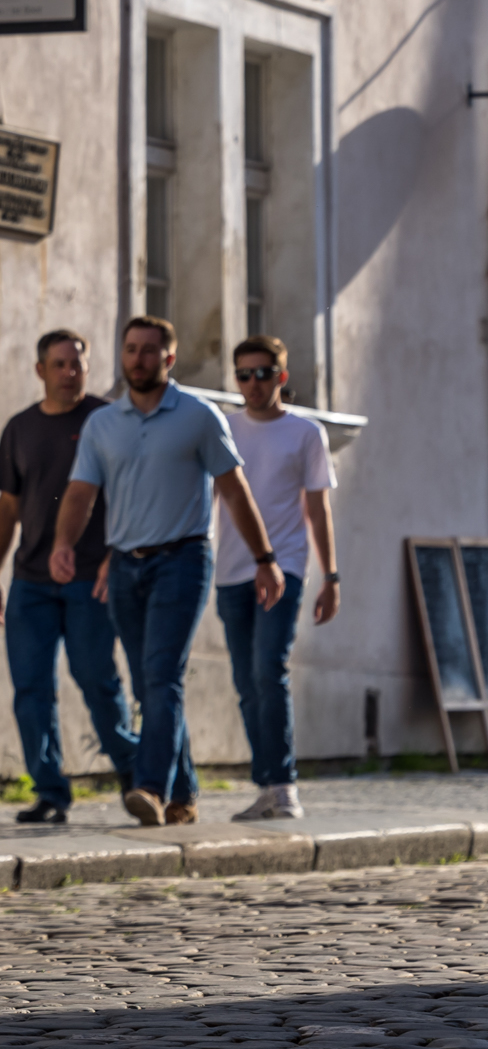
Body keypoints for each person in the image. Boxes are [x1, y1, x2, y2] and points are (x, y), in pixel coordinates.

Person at [50, 316, 281, 826]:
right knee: (149, 683)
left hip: (183, 559)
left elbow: (234, 490)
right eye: (130, 349)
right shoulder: (102, 424)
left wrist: (264, 559)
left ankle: (149, 788)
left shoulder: (199, 416)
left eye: (149, 350)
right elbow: (82, 493)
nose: (138, 358)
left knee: (161, 676)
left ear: (168, 359)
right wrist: (63, 544)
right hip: (126, 566)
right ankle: (184, 792)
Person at [0, 330, 141, 824]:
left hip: (91, 576)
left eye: (77, 364)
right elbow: (8, 506)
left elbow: (129, 496)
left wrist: (115, 559)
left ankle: (137, 775)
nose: (69, 373)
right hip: (30, 579)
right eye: (59, 365)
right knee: (31, 688)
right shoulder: (20, 428)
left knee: (97, 680)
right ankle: (50, 791)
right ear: (40, 371)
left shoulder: (108, 419)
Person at [217, 336, 340, 821]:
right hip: (230, 568)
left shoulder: (305, 433)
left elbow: (318, 508)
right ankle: (267, 783)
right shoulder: (223, 429)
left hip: (284, 565)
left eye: (262, 373)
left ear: (281, 377)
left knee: (269, 668)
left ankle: (284, 784)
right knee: (247, 681)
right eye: (243, 375)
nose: (252, 384)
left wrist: (331, 576)